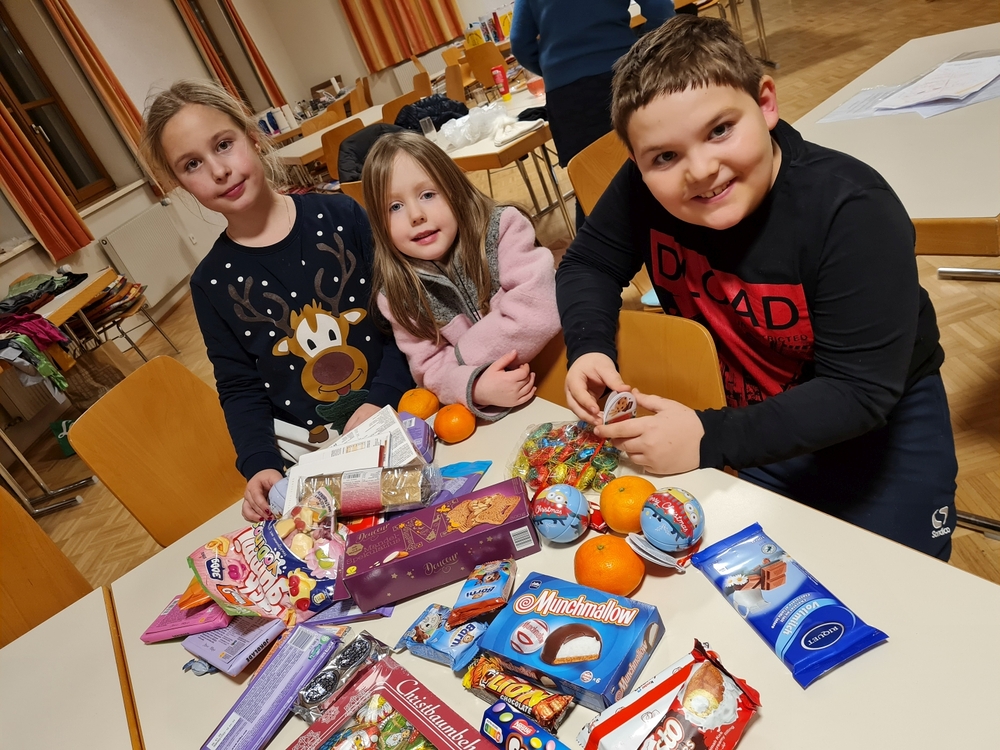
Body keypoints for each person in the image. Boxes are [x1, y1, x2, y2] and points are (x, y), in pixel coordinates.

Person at [555, 16, 957, 559]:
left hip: (879, 429)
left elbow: (859, 393)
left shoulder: (851, 209)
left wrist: (708, 438)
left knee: (901, 581)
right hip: (755, 424)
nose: (701, 170)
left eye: (720, 130)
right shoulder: (642, 189)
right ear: (638, 163)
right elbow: (587, 263)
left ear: (766, 103)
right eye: (665, 157)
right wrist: (589, 346)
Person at [139, 80, 413, 523]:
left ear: (253, 137)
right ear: (179, 184)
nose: (219, 170)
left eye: (223, 145)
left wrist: (382, 398)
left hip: (403, 409)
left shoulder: (342, 216)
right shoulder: (210, 283)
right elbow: (239, 386)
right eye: (192, 164)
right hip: (316, 460)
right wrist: (259, 463)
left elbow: (404, 315)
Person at [362, 131, 560, 420]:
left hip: (562, 370)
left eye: (428, 195)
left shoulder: (503, 228)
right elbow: (429, 370)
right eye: (395, 207)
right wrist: (475, 387)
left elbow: (538, 314)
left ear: (453, 190)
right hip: (502, 413)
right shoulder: (397, 294)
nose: (416, 215)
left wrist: (460, 358)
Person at [509, 0, 674, 228]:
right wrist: (642, 53)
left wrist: (556, 70)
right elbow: (660, 10)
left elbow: (519, 42)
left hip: (565, 93)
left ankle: (592, 247)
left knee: (589, 182)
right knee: (652, 165)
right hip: (622, 73)